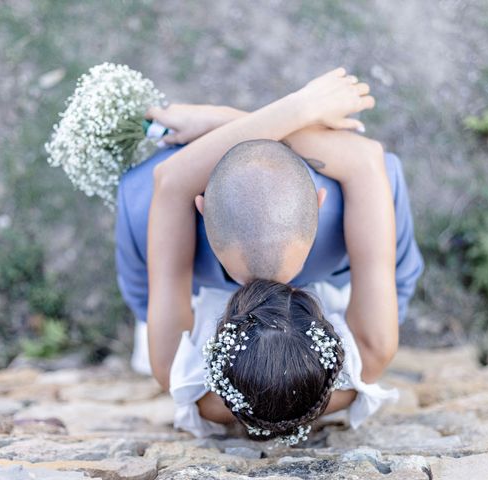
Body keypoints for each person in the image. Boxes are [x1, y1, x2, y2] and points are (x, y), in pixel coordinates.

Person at [115, 68, 424, 442]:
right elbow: (367, 157)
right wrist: (235, 119)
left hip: (183, 294)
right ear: (317, 200)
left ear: (202, 207)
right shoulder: (371, 349)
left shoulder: (138, 199)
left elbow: (170, 180)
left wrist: (284, 111)